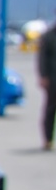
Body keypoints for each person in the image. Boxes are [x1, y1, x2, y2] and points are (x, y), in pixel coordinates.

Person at [39, 12, 55, 152]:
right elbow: (42, 58)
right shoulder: (49, 36)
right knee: (50, 109)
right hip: (53, 78)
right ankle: (48, 139)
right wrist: (43, 76)